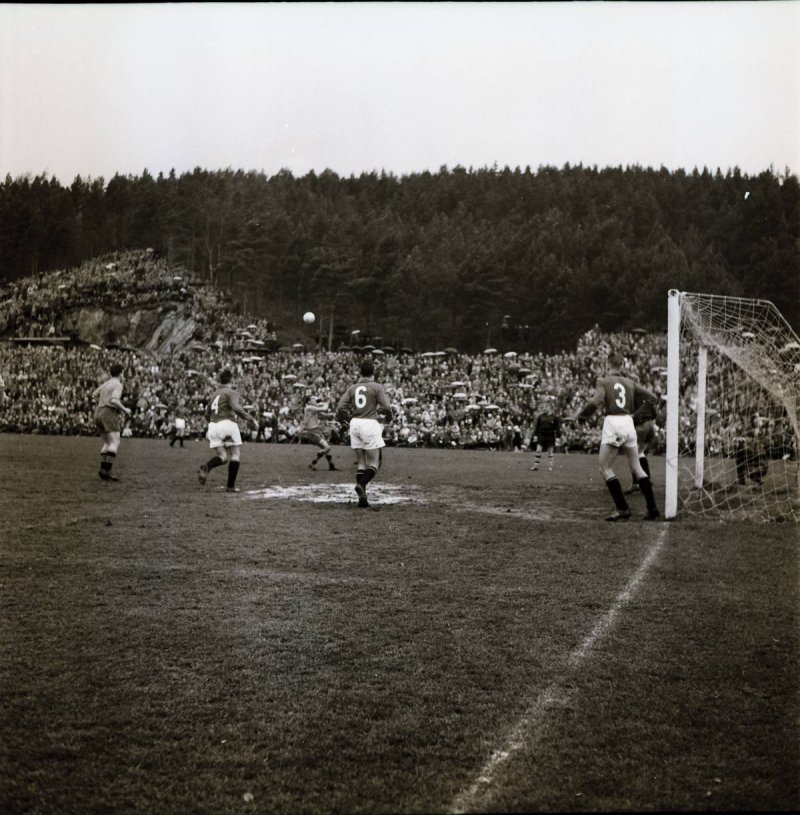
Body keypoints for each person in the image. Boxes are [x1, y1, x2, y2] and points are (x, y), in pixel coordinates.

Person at [573, 353, 660, 521]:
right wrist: (636, 416)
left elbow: (595, 401)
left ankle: (622, 508)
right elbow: (653, 398)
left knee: (604, 468)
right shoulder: (630, 382)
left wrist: (582, 417)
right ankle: (652, 508)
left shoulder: (603, 381)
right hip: (628, 422)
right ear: (621, 365)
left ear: (608, 364)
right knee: (637, 467)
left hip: (614, 422)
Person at [336, 358, 393, 508]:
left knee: (361, 462)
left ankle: (362, 499)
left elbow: (341, 407)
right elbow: (387, 406)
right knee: (375, 462)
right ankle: (361, 485)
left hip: (355, 423)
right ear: (373, 372)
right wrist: (388, 417)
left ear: (360, 372)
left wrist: (349, 419)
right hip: (369, 423)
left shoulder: (353, 388)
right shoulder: (376, 387)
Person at [198, 369, 258, 493]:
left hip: (213, 427)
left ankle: (207, 467)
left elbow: (206, 414)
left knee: (223, 456)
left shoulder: (214, 394)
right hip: (227, 425)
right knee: (235, 455)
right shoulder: (231, 392)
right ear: (232, 380)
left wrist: (213, 423)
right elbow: (236, 408)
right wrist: (250, 419)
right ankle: (230, 486)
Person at [92, 363, 132, 482]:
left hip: (98, 412)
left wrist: (102, 403)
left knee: (107, 443)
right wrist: (125, 410)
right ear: (121, 373)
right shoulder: (118, 384)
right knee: (115, 442)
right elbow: (114, 400)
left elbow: (94, 395)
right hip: (108, 413)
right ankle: (106, 471)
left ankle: (103, 470)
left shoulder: (107, 383)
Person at [623, 373, 659, 495]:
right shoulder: (646, 395)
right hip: (650, 426)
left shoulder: (632, 396)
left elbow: (631, 414)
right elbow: (654, 413)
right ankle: (646, 479)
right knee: (640, 453)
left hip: (641, 427)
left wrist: (634, 418)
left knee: (632, 455)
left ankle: (637, 483)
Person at [301, 395, 339, 471]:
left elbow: (322, 415)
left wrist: (330, 415)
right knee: (327, 447)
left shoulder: (312, 409)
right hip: (312, 432)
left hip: (316, 431)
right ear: (308, 401)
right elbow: (324, 409)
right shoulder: (308, 408)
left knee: (326, 448)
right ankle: (313, 462)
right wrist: (327, 402)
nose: (315, 400)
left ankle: (331, 465)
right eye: (313, 399)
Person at [530, 403, 562, 472]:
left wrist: (558, 437)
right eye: (543, 407)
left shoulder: (554, 418)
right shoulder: (540, 417)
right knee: (538, 450)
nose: (544, 409)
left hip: (550, 436)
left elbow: (557, 428)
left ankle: (550, 467)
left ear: (549, 408)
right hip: (541, 435)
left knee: (550, 451)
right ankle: (535, 466)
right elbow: (537, 427)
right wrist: (535, 435)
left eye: (545, 407)